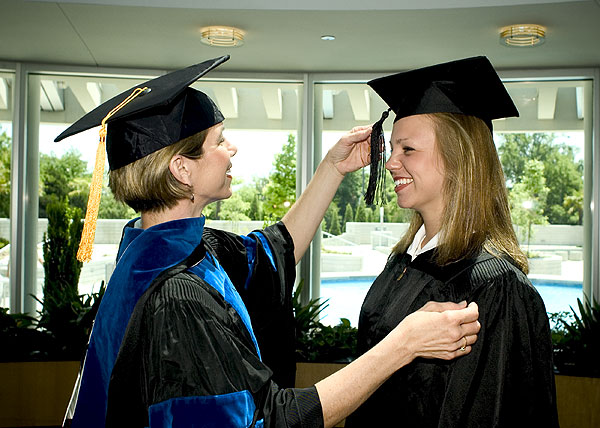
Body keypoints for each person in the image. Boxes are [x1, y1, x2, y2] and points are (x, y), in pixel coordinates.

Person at [55, 55, 481, 428]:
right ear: (182, 170)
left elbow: (273, 253)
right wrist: (403, 344)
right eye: (219, 141)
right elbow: (266, 419)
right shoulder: (177, 297)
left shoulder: (160, 249)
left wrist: (332, 168)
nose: (232, 149)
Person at [345, 56, 559, 428]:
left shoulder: (495, 287)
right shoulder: (402, 262)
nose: (391, 162)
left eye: (407, 149)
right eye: (392, 148)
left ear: (461, 159)